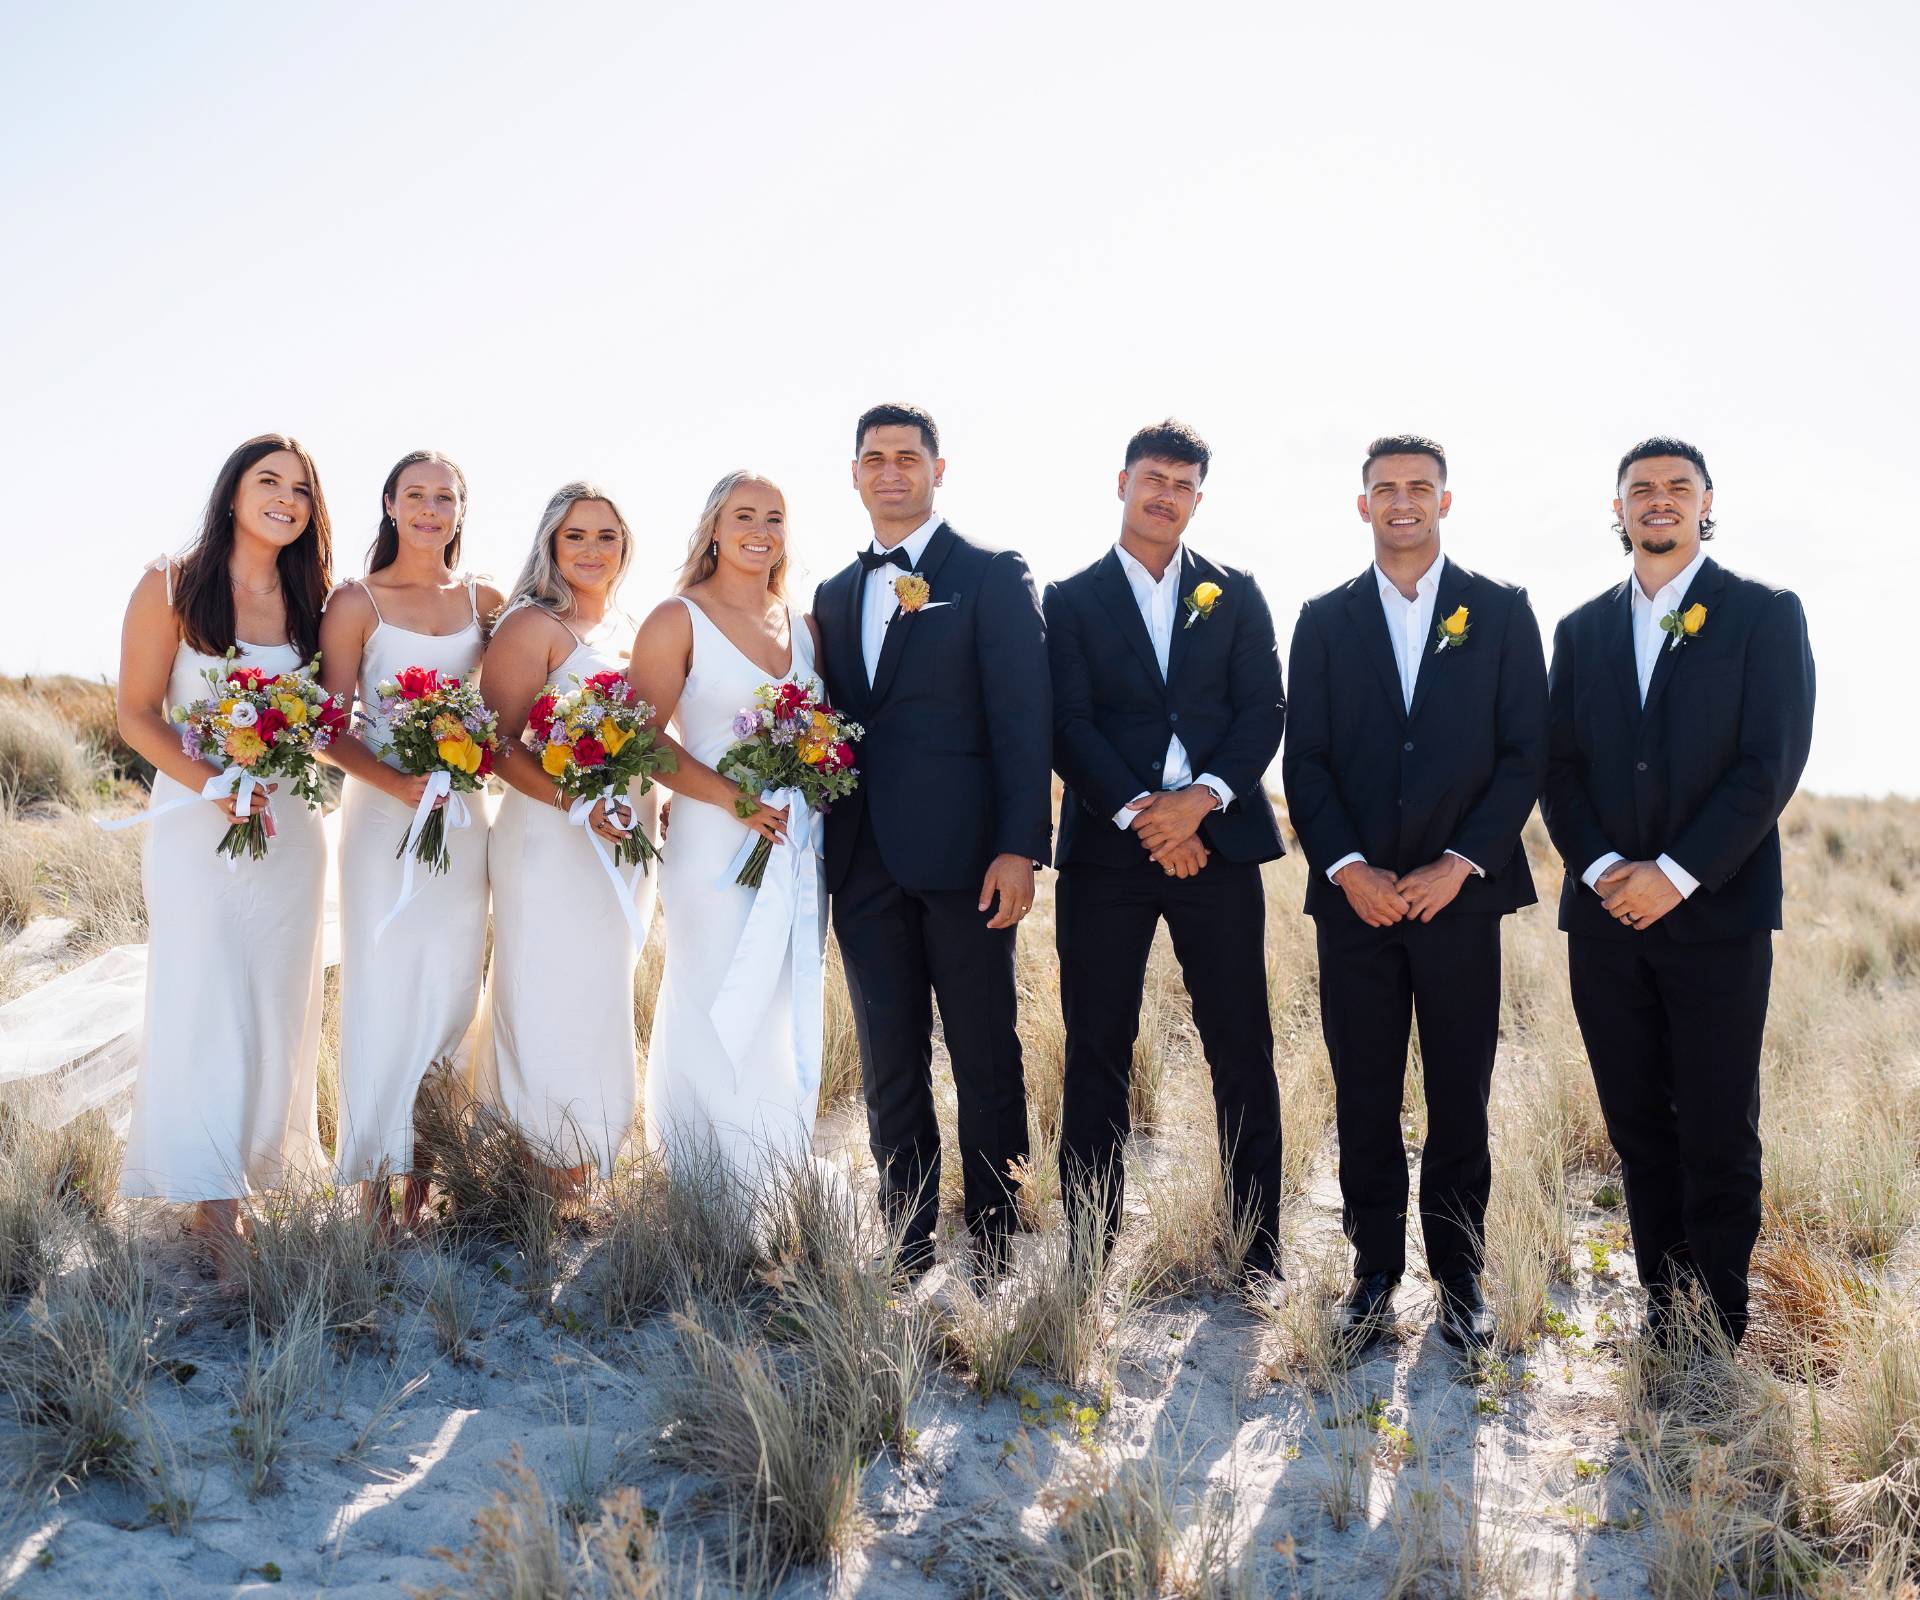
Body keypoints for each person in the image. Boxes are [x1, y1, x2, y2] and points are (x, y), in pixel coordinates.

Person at [1542, 437, 1814, 1345]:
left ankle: (1718, 1323)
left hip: (1720, 915)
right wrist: (1603, 872)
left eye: (1677, 488)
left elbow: (1766, 766)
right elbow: (1560, 768)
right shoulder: (1579, 630)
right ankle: (1665, 1303)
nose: (1659, 501)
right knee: (1633, 1119)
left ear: (1707, 504)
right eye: (1640, 490)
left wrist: (1678, 875)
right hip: (1605, 917)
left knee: (1716, 1122)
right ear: (1615, 511)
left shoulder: (1763, 614)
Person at [1282, 434, 1547, 1351]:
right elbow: (1304, 758)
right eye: (1386, 489)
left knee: (1460, 1093)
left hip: (1459, 902)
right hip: (1355, 903)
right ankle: (1372, 1272)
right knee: (1362, 1089)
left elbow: (1525, 755)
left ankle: (1461, 1275)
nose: (1403, 502)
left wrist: (1459, 863)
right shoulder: (1322, 618)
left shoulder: (1503, 612)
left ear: (1446, 499)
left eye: (1420, 488)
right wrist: (1347, 867)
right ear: (1363, 505)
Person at [811, 403, 1052, 1282]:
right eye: (874, 458)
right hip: (862, 856)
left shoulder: (990, 573)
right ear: (855, 473)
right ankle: (906, 1233)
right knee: (887, 1053)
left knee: (985, 1047)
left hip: (968, 860)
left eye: (908, 458)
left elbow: (1025, 718)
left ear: (938, 471)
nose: (891, 472)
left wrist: (1019, 846)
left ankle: (994, 1236)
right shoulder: (835, 593)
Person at [1045, 419, 1287, 1292]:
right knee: (1097, 1046)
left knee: (1241, 1044)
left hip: (1218, 845)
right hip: (1110, 856)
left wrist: (1198, 805)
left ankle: (1258, 1248)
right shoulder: (1068, 602)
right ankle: (1088, 1247)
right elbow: (1067, 722)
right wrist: (1147, 817)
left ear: (1198, 498)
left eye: (1183, 485)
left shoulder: (1238, 591)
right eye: (1153, 478)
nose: (1166, 495)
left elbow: (1263, 709)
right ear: (1122, 482)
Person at [114, 434, 335, 1274]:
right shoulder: (171, 582)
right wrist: (212, 782)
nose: (285, 498)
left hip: (288, 832)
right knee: (207, 992)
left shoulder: (313, 599)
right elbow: (136, 714)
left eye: (302, 489)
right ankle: (212, 1204)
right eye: (268, 481)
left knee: (275, 1000)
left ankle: (249, 1174)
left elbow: (325, 719)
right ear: (233, 492)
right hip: (195, 826)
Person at [319, 451, 503, 1235]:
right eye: (417, 495)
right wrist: (396, 784)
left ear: (462, 511)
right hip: (381, 818)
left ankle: (425, 1186)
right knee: (382, 991)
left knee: (449, 993)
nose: (432, 509)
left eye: (447, 497)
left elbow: (513, 710)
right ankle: (368, 1189)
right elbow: (329, 723)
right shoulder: (354, 601)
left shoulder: (488, 601)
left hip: (461, 822)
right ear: (390, 503)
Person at [627, 471, 825, 1189]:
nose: (761, 530)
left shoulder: (802, 626)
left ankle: (773, 1174)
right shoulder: (676, 618)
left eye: (775, 516)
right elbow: (639, 738)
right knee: (716, 992)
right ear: (713, 528)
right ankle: (709, 1182)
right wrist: (733, 799)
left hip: (795, 844)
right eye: (744, 515)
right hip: (715, 845)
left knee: (779, 997)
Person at [472, 482, 658, 1186]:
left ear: (625, 547)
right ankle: (548, 1159)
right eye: (576, 535)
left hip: (624, 836)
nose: (591, 549)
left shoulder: (632, 626)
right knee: (551, 985)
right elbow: (496, 743)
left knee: (603, 987)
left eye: (606, 535)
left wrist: (655, 800)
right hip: (550, 840)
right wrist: (576, 802)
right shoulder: (532, 625)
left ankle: (589, 1149)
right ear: (551, 542)